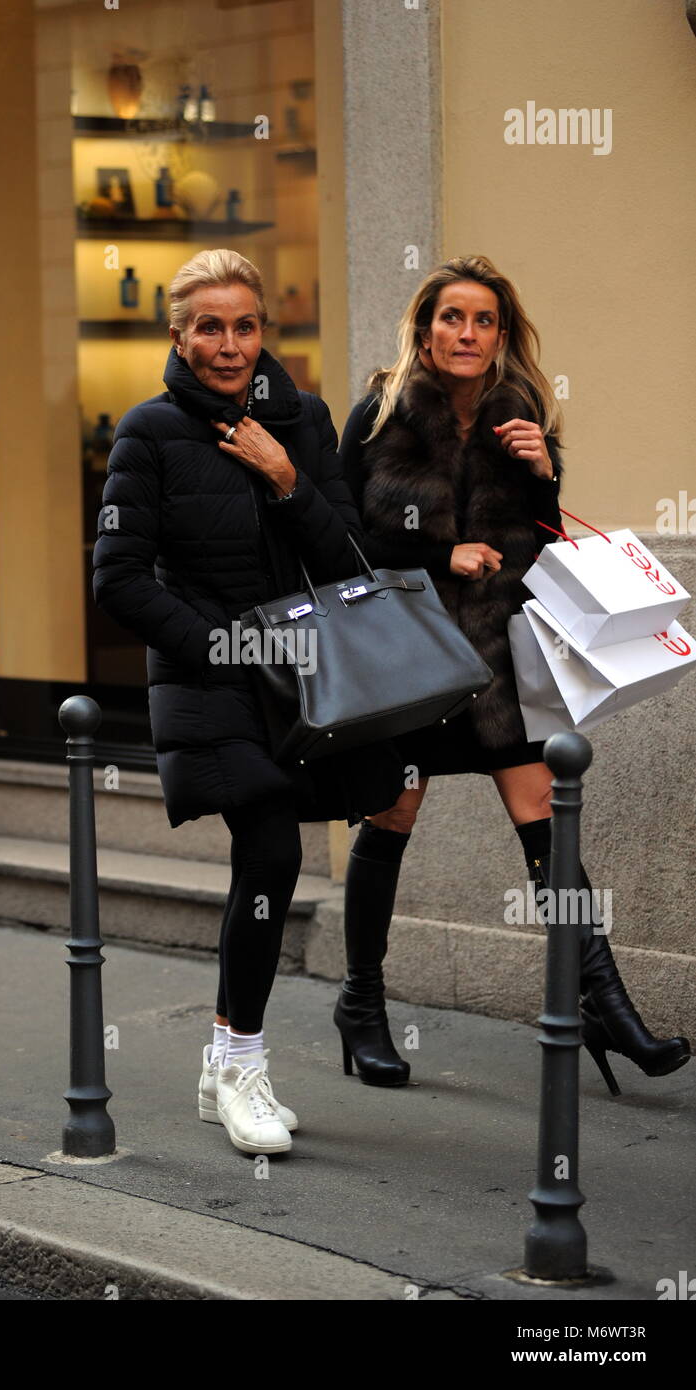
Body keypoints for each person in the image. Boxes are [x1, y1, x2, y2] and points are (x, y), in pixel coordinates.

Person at [335, 253, 690, 1094]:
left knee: (543, 812)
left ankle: (603, 1003)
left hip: (496, 657)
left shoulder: (521, 416)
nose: (466, 333)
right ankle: (362, 1007)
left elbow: (539, 546)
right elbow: (342, 540)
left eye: (483, 320)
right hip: (412, 657)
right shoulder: (377, 413)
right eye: (451, 317)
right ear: (425, 327)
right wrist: (436, 552)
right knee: (392, 814)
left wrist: (543, 472)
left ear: (501, 336)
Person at [92, 249, 404, 1155]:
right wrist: (219, 649)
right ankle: (239, 1063)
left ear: (263, 329)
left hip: (304, 678)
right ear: (179, 335)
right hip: (212, 678)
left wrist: (285, 478)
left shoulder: (301, 419)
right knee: (267, 850)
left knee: (277, 859)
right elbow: (117, 580)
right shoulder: (146, 432)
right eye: (208, 327)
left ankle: (224, 1056)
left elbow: (350, 561)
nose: (228, 345)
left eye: (244, 325)